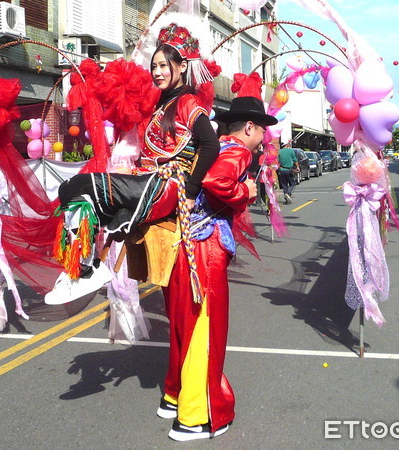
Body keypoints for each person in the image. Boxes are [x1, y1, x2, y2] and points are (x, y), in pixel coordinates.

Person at [45, 23, 221, 305]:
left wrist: (189, 192)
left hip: (166, 187)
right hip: (152, 182)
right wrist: (134, 171)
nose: (158, 72)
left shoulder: (187, 102)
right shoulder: (163, 105)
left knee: (75, 187)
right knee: (85, 198)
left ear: (183, 66)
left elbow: (210, 145)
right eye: (155, 66)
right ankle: (83, 268)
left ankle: (85, 269)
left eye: (164, 65)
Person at [157, 95, 277, 441]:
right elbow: (216, 183)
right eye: (262, 132)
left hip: (185, 244)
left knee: (183, 324)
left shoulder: (215, 147)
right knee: (206, 331)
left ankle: (174, 395)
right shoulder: (238, 152)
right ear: (250, 128)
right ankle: (195, 417)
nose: (263, 139)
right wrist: (246, 190)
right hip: (205, 252)